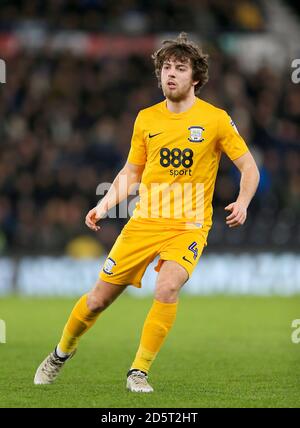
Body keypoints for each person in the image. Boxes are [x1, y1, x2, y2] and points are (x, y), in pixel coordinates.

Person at [34, 33, 260, 392]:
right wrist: (104, 205)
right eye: (166, 67)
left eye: (179, 68)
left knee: (167, 287)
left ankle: (138, 371)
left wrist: (243, 202)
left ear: (195, 78)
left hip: (189, 226)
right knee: (96, 301)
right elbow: (131, 173)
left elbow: (250, 168)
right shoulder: (146, 119)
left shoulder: (216, 120)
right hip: (144, 222)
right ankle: (61, 353)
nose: (170, 74)